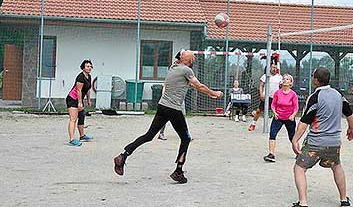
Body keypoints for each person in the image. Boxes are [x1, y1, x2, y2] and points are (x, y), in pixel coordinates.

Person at [113, 50, 223, 183]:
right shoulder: (186, 70)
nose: (186, 53)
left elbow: (191, 85)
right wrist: (214, 93)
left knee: (148, 136)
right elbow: (199, 85)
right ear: (188, 60)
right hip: (174, 109)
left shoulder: (174, 67)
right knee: (186, 138)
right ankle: (178, 171)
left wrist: (207, 92)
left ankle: (123, 155)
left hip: (162, 106)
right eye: (189, 54)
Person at [291, 67, 353, 207]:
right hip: (334, 142)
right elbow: (349, 113)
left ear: (315, 80)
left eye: (312, 75)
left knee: (299, 168)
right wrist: (351, 128)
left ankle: (303, 202)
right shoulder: (338, 94)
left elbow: (305, 121)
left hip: (316, 142)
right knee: (337, 166)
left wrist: (295, 139)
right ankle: (344, 199)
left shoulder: (315, 97)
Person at [263, 74, 298, 162]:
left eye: (287, 79)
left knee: (292, 137)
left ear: (290, 83)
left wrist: (293, 115)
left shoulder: (293, 94)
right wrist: (274, 112)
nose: (285, 80)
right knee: (272, 134)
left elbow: (296, 107)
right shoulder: (277, 93)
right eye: (284, 79)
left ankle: (298, 153)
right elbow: (273, 104)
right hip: (278, 117)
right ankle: (271, 154)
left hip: (289, 118)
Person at [66, 60, 94, 146]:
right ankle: (71, 140)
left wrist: (88, 99)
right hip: (72, 99)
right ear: (83, 67)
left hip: (79, 99)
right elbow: (79, 90)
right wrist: (80, 103)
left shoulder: (89, 76)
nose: (89, 68)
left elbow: (88, 89)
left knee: (82, 115)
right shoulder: (80, 77)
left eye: (90, 66)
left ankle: (82, 136)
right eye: (87, 66)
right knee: (73, 119)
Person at [248, 63, 283, 131]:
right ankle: (253, 124)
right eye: (273, 67)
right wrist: (261, 94)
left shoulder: (279, 77)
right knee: (258, 111)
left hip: (275, 97)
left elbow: (281, 87)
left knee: (277, 112)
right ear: (269, 68)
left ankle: (276, 126)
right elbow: (261, 85)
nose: (274, 69)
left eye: (275, 68)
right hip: (266, 97)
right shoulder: (265, 76)